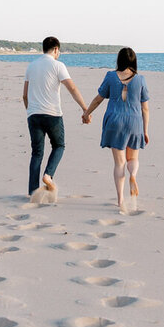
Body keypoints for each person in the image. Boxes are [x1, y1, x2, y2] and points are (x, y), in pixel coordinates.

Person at [82, 46, 150, 213]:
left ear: (119, 60)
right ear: (134, 61)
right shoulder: (140, 79)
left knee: (119, 162)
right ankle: (132, 175)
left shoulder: (111, 76)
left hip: (115, 122)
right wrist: (145, 131)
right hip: (134, 122)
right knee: (132, 159)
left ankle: (120, 200)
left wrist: (87, 113)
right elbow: (145, 108)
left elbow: (99, 99)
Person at [22, 37, 90, 202]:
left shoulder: (31, 66)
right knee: (59, 145)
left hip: (33, 115)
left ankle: (33, 193)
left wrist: (30, 111)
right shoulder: (58, 65)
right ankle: (48, 175)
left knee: (37, 153)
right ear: (56, 49)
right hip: (52, 114)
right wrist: (85, 109)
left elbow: (25, 95)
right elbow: (72, 87)